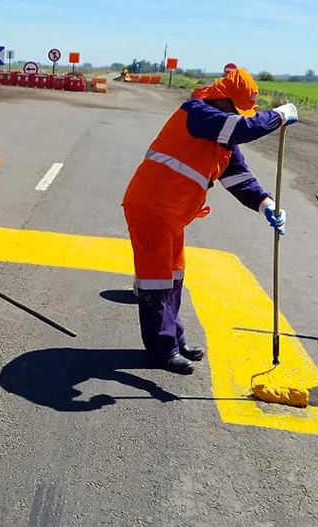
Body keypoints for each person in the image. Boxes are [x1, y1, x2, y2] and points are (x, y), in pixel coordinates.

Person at [121, 63, 298, 374]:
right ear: (221, 98)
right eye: (235, 110)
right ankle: (161, 350)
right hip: (151, 207)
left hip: (173, 214)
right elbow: (246, 128)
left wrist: (265, 203)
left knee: (174, 278)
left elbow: (239, 177)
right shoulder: (197, 113)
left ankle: (175, 340)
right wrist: (280, 115)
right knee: (156, 281)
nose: (238, 116)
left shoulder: (222, 136)